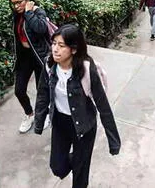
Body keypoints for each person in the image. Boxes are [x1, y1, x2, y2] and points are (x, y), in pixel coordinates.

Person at [34, 24, 120, 188]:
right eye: (54, 44)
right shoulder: (49, 65)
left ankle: (81, 159)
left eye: (61, 45)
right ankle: (78, 158)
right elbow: (42, 95)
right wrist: (39, 122)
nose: (55, 50)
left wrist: (113, 140)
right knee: (58, 168)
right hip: (61, 123)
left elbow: (103, 106)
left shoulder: (87, 70)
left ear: (73, 49)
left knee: (80, 176)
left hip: (84, 127)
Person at [9, 0, 52, 134]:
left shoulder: (38, 11)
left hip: (39, 56)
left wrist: (28, 12)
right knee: (19, 90)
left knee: (42, 91)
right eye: (13, 4)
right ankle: (29, 114)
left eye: (19, 2)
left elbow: (40, 28)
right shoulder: (16, 15)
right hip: (24, 58)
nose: (16, 6)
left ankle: (44, 114)